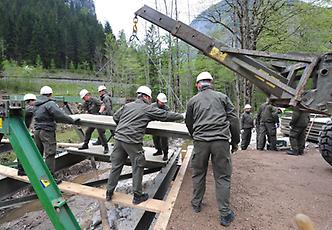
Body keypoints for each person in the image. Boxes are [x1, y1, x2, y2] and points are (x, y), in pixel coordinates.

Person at [106, 86, 183, 205]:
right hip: (132, 141)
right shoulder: (147, 108)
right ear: (146, 97)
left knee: (116, 166)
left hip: (118, 139)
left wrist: (124, 126)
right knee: (138, 165)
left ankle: (109, 192)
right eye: (149, 98)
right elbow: (165, 116)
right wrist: (181, 116)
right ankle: (137, 196)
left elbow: (116, 117)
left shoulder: (128, 105)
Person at [185, 72, 240, 227]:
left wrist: (195, 136)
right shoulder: (222, 97)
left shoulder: (192, 101)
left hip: (201, 142)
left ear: (198, 85)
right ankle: (224, 215)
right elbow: (234, 120)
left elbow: (188, 122)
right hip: (220, 141)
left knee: (198, 173)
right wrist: (235, 141)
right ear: (211, 82)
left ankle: (196, 204)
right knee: (222, 176)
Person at [34, 86, 79, 177]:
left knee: (38, 153)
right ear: (50, 94)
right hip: (46, 132)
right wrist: (72, 121)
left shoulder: (36, 104)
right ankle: (50, 178)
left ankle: (37, 175)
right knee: (50, 153)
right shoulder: (50, 103)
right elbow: (60, 115)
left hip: (37, 131)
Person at [78, 89, 109, 154]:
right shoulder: (85, 103)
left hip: (99, 119)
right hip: (93, 120)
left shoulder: (94, 100)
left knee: (101, 133)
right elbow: (86, 111)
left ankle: (106, 148)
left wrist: (100, 112)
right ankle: (85, 145)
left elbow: (103, 105)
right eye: (83, 98)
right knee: (88, 132)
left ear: (87, 95)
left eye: (84, 97)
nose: (84, 99)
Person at [17, 93, 37, 176]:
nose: (36, 102)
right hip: (21, 132)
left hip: (22, 131)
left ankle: (22, 169)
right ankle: (21, 170)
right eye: (34, 101)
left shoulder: (25, 108)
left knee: (22, 150)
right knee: (23, 150)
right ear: (30, 101)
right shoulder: (29, 109)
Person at [152, 93, 170, 161]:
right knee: (155, 139)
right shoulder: (152, 106)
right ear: (158, 100)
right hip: (155, 126)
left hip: (164, 126)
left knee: (164, 140)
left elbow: (168, 117)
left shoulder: (166, 108)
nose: (163, 103)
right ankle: (159, 150)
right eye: (162, 102)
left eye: (164, 102)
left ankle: (165, 153)